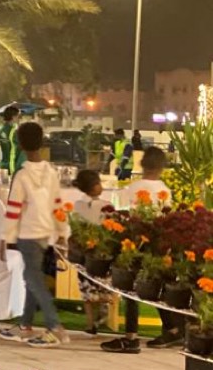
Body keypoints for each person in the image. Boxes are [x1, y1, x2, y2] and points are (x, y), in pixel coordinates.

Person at [0, 122, 71, 348]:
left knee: (33, 279)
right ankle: (25, 325)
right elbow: (58, 204)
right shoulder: (51, 173)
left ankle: (53, 326)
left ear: (20, 144)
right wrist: (62, 231)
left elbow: (13, 210)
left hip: (28, 233)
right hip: (46, 233)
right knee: (33, 277)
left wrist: (4, 238)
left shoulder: (22, 176)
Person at [102, 147, 179, 352]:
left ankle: (131, 337)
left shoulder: (134, 187)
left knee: (130, 287)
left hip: (137, 242)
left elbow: (123, 212)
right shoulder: (165, 189)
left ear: (142, 164)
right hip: (158, 243)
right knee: (155, 286)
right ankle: (172, 330)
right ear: (162, 167)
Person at [71, 169, 114, 336]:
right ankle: (100, 317)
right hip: (99, 251)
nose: (101, 186)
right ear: (92, 186)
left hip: (85, 251)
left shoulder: (78, 205)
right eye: (98, 183)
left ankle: (91, 323)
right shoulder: (104, 205)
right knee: (101, 285)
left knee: (87, 288)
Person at [0, 106, 25, 176]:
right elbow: (15, 150)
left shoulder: (1, 131)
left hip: (4, 164)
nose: (19, 118)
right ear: (13, 117)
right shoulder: (13, 131)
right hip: (12, 166)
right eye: (18, 116)